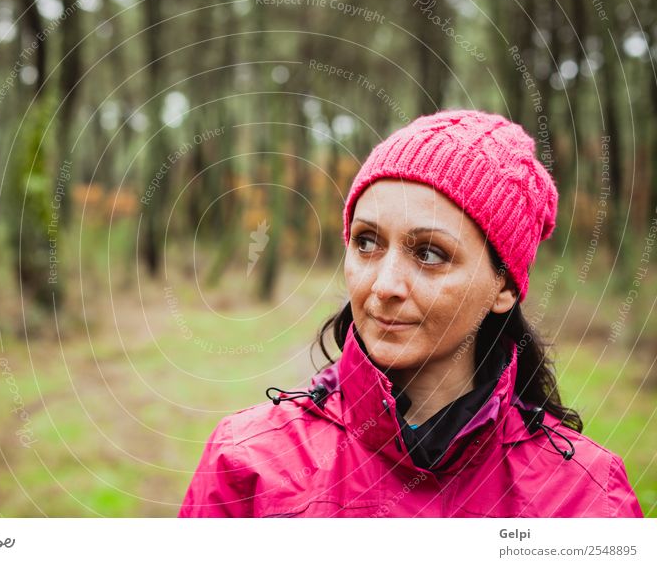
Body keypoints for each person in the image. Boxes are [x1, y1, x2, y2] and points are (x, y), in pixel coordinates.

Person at [178, 109, 644, 517]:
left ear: (503, 286)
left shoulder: (583, 498)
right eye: (366, 242)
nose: (383, 286)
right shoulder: (248, 461)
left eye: (429, 253)